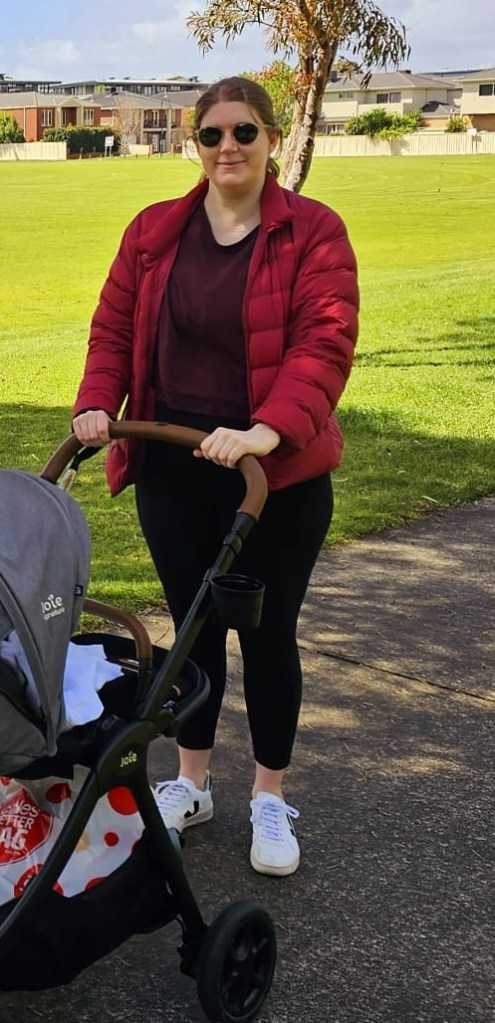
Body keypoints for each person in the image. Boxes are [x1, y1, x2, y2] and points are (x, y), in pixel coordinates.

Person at [72, 76, 359, 877]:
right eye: (212, 135)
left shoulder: (312, 232)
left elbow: (324, 340)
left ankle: (270, 796)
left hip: (275, 480)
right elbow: (112, 329)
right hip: (172, 469)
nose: (227, 147)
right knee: (194, 632)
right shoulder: (154, 233)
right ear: (192, 144)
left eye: (243, 132)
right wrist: (98, 404)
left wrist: (266, 429)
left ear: (271, 140)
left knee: (266, 637)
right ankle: (190, 782)